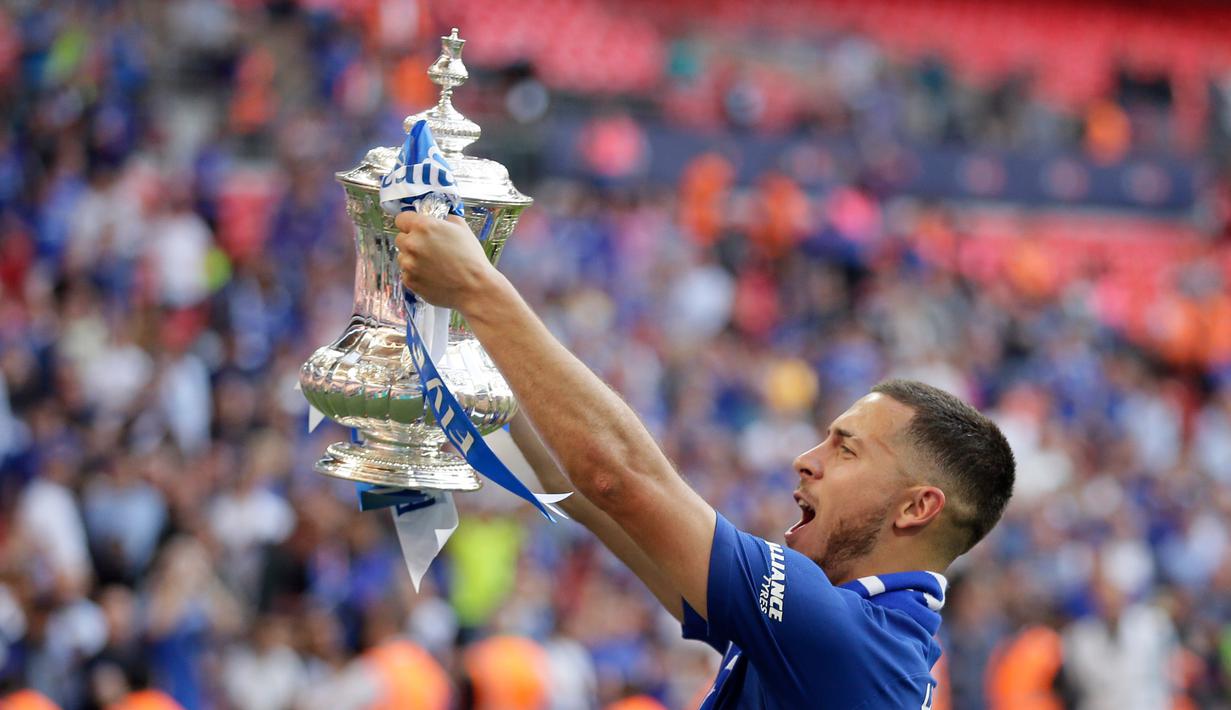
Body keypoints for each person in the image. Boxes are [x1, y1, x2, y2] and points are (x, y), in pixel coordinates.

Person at [395, 212, 1016, 708]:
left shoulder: (846, 640)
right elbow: (582, 493)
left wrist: (478, 289)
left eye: (845, 448)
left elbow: (617, 479)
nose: (805, 460)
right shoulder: (843, 637)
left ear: (916, 507)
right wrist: (474, 359)